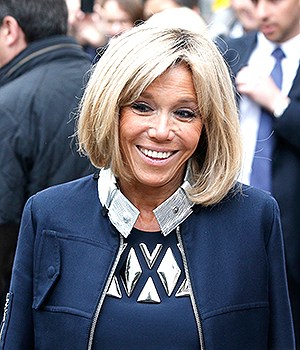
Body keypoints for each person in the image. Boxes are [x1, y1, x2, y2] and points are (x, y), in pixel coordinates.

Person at [0, 24, 295, 349]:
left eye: (184, 113)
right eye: (142, 107)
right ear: (110, 110)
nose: (161, 130)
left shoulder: (253, 218)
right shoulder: (49, 215)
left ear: (208, 126)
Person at [0, 0, 93, 319]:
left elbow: (4, 224)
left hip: (34, 296)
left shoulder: (9, 104)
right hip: (107, 286)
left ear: (10, 29)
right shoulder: (102, 82)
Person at [216, 0, 300, 346]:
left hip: (292, 230)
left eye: (275, 1)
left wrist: (278, 102)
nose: (262, 12)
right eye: (255, 1)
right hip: (226, 216)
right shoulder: (227, 53)